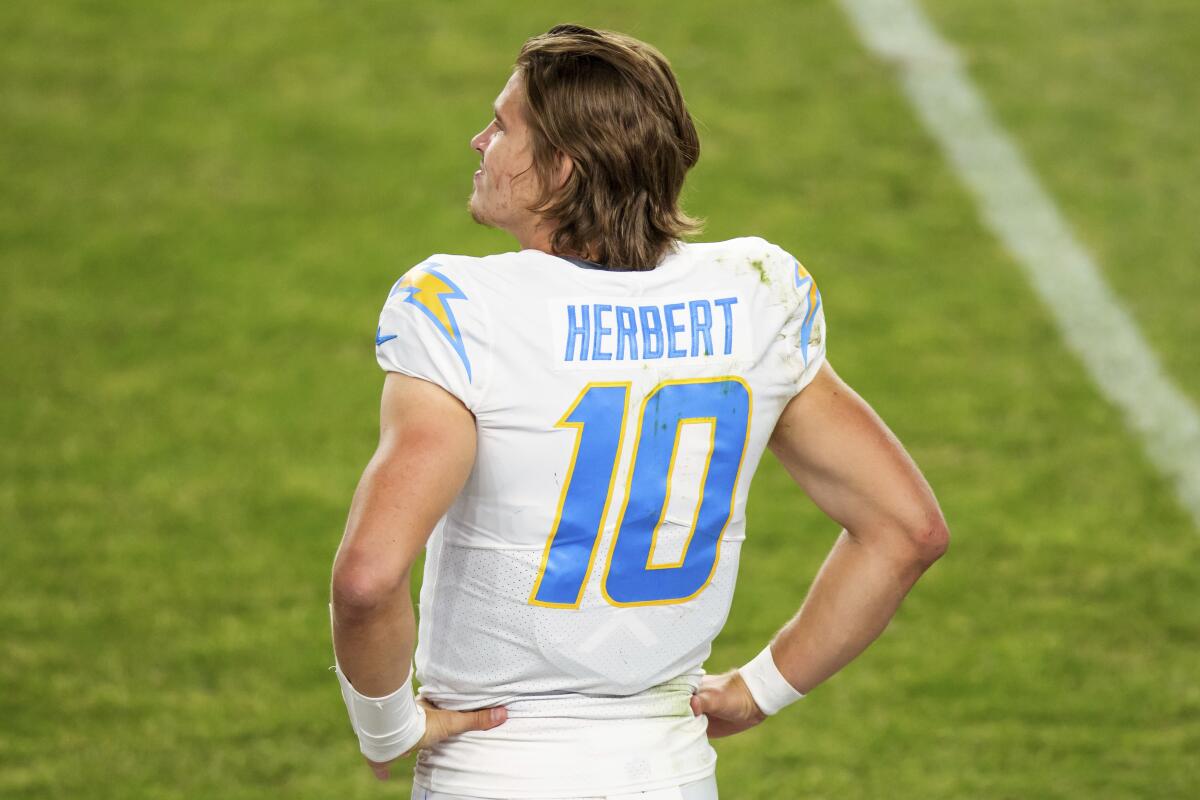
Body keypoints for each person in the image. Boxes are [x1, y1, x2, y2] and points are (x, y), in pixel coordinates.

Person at [330, 24, 949, 800]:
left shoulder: (464, 308)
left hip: (498, 767)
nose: (478, 140)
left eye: (504, 125)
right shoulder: (754, 292)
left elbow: (366, 578)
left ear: (562, 166)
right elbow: (907, 530)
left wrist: (386, 726)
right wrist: (763, 688)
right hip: (669, 772)